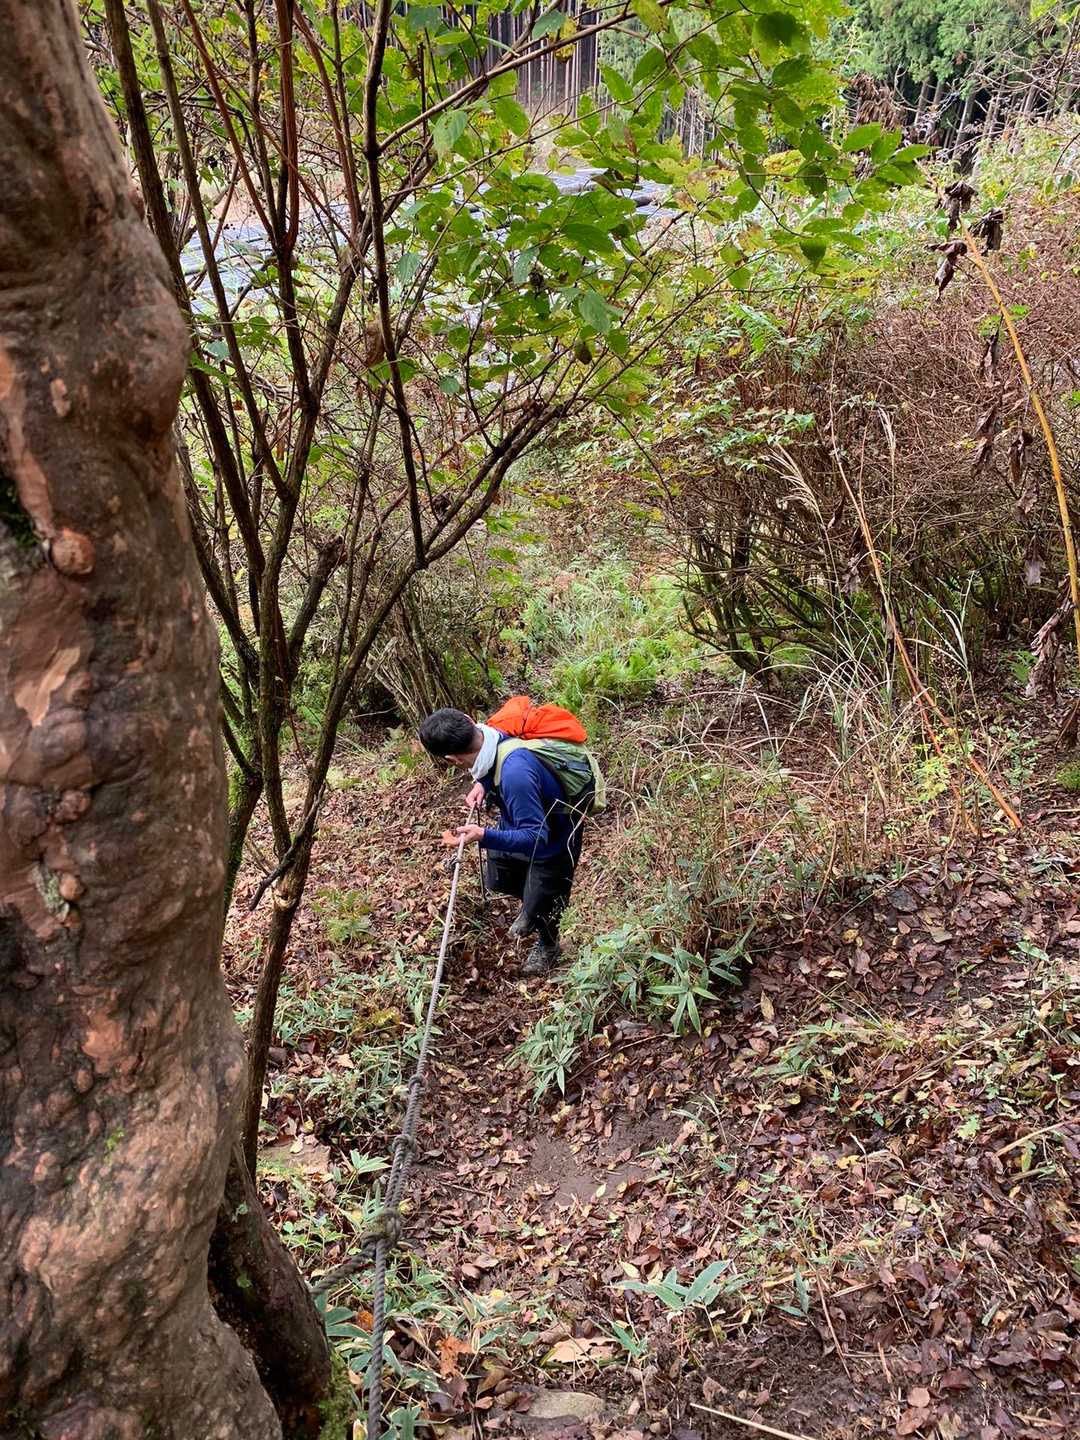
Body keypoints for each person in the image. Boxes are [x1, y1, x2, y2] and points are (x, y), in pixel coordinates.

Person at [418, 707, 588, 976]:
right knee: (501, 874)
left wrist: (482, 835)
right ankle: (531, 907)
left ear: (453, 759)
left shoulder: (515, 774)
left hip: (555, 841)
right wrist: (483, 784)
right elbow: (495, 758)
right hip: (526, 820)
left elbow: (535, 837)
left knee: (546, 899)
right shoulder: (494, 732)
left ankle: (548, 944)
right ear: (469, 720)